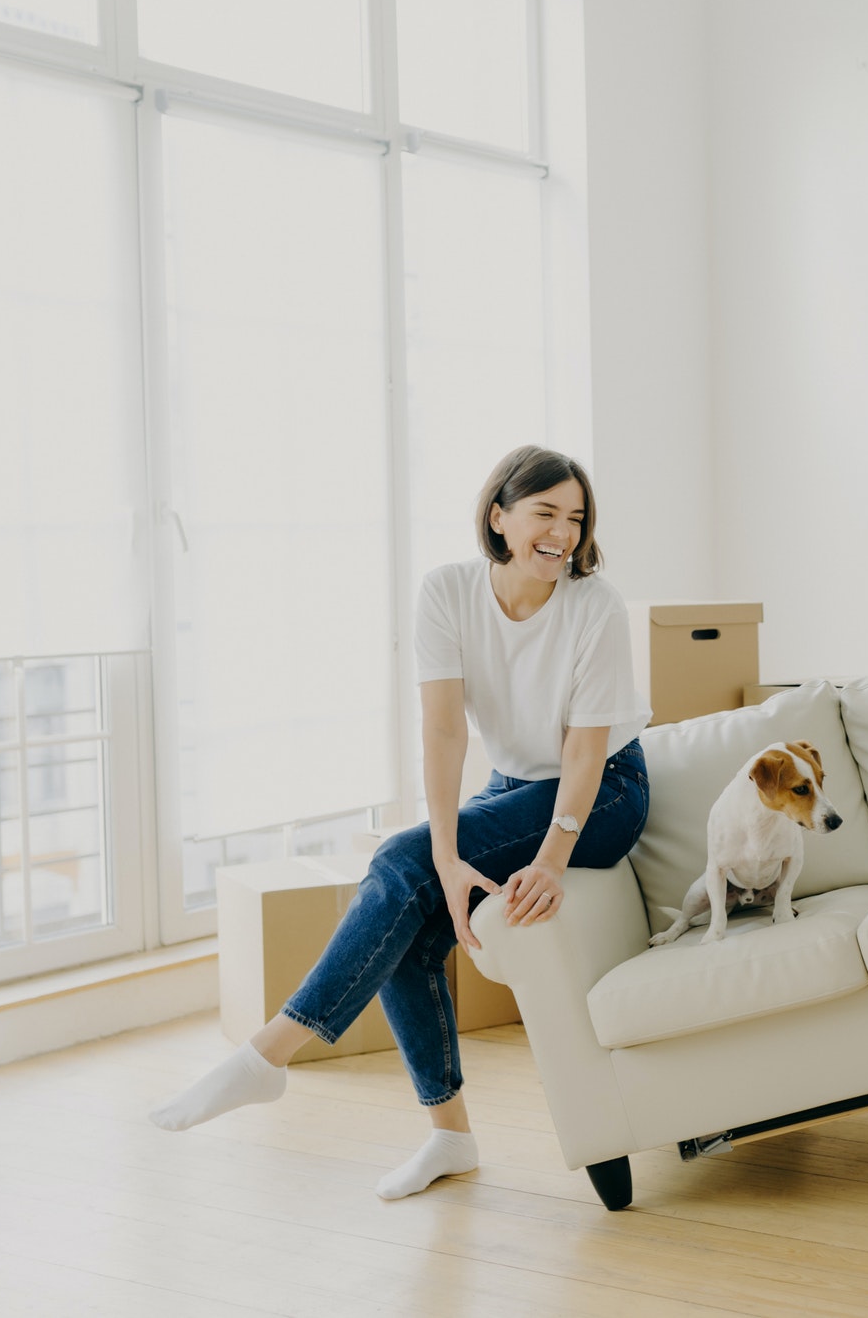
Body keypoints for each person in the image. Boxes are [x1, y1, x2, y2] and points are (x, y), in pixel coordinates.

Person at [149, 445, 652, 1200]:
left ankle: (267, 1055)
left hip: (605, 792)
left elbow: (585, 752)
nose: (563, 533)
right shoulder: (448, 592)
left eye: (575, 518)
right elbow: (443, 731)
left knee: (394, 860)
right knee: (414, 911)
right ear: (499, 516)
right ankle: (449, 1135)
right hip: (514, 786)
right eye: (545, 512)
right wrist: (446, 856)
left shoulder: (594, 605)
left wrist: (550, 858)